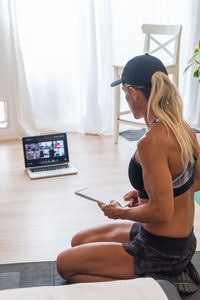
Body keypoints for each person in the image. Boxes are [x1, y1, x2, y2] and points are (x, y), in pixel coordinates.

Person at [56, 54, 200, 284]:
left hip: (160, 251)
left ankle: (154, 282)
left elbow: (162, 213)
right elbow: (196, 181)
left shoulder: (150, 142)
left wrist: (119, 212)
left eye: (124, 92)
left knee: (65, 265)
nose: (126, 98)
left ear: (133, 92)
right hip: (180, 243)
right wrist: (146, 193)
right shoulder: (184, 128)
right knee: (78, 241)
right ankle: (155, 273)